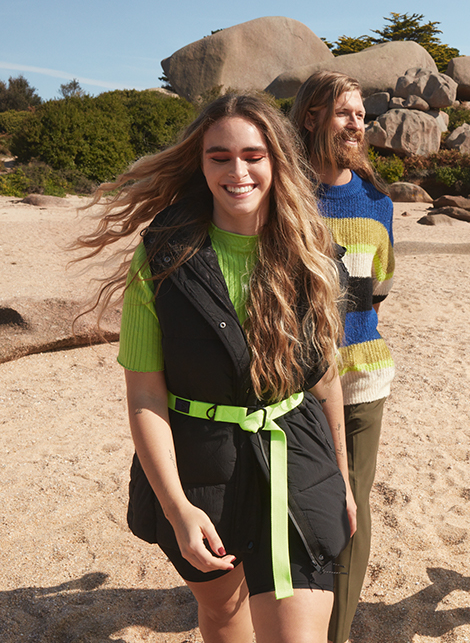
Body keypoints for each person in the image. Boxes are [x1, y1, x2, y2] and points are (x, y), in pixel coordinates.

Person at [76, 93, 356, 643]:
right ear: (200, 164)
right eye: (219, 157)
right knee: (226, 617)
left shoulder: (312, 251)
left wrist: (342, 480)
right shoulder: (160, 255)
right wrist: (177, 508)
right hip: (202, 463)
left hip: (296, 454)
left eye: (253, 155)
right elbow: (145, 397)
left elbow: (325, 379)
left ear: (277, 161)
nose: (237, 171)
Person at [290, 71, 397, 643]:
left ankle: (335, 631)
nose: (357, 124)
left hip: (360, 376)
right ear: (311, 118)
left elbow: (376, 291)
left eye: (361, 115)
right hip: (288, 381)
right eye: (343, 113)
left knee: (351, 509)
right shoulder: (282, 191)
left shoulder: (377, 200)